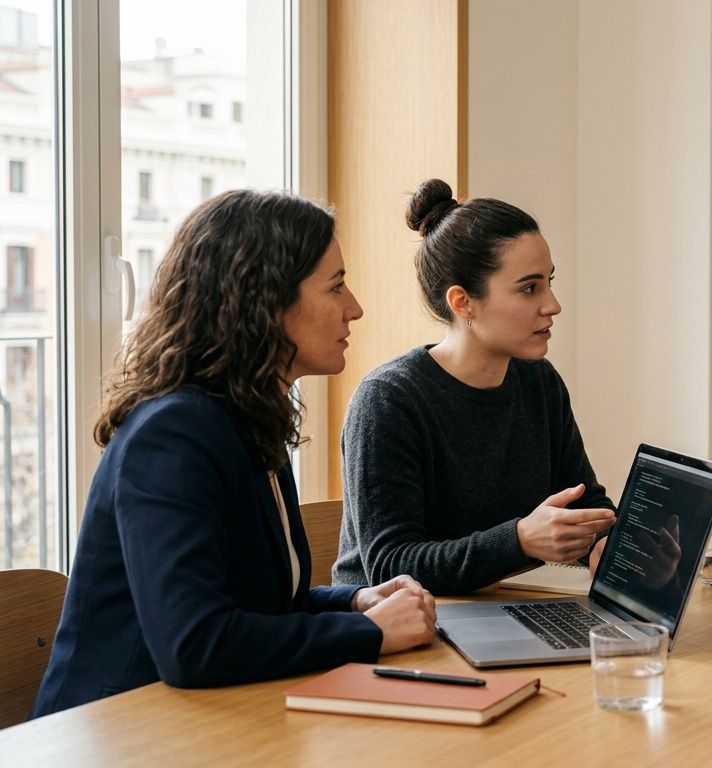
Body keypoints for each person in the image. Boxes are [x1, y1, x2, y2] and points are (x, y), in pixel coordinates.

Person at [31, 190, 437, 718]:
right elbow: (195, 644)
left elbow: (260, 608)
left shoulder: (251, 418)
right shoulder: (172, 434)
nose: (354, 307)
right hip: (116, 733)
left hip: (200, 720)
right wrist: (365, 633)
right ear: (264, 301)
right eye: (335, 286)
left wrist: (357, 601)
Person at [333, 179, 615, 595]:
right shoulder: (389, 400)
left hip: (500, 607)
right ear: (463, 302)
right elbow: (390, 566)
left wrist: (606, 541)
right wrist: (519, 541)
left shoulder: (539, 381)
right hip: (400, 629)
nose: (552, 304)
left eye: (549, 282)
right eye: (529, 287)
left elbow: (586, 502)